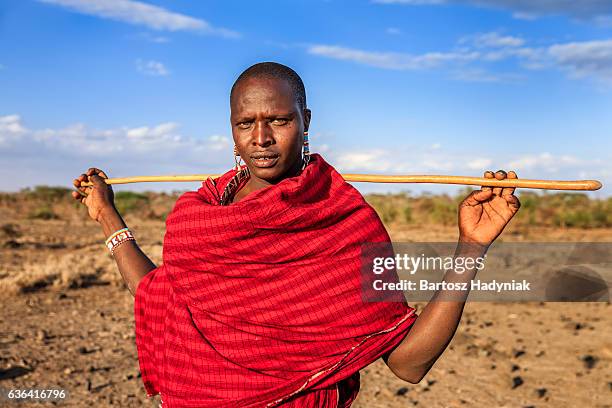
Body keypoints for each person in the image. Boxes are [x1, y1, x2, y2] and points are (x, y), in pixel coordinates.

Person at [72, 62, 520, 407]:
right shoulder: (202, 213)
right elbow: (159, 294)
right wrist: (107, 215)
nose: (261, 138)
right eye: (246, 123)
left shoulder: (348, 223)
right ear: (231, 129)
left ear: (305, 120)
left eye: (279, 121)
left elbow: (408, 364)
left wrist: (471, 247)